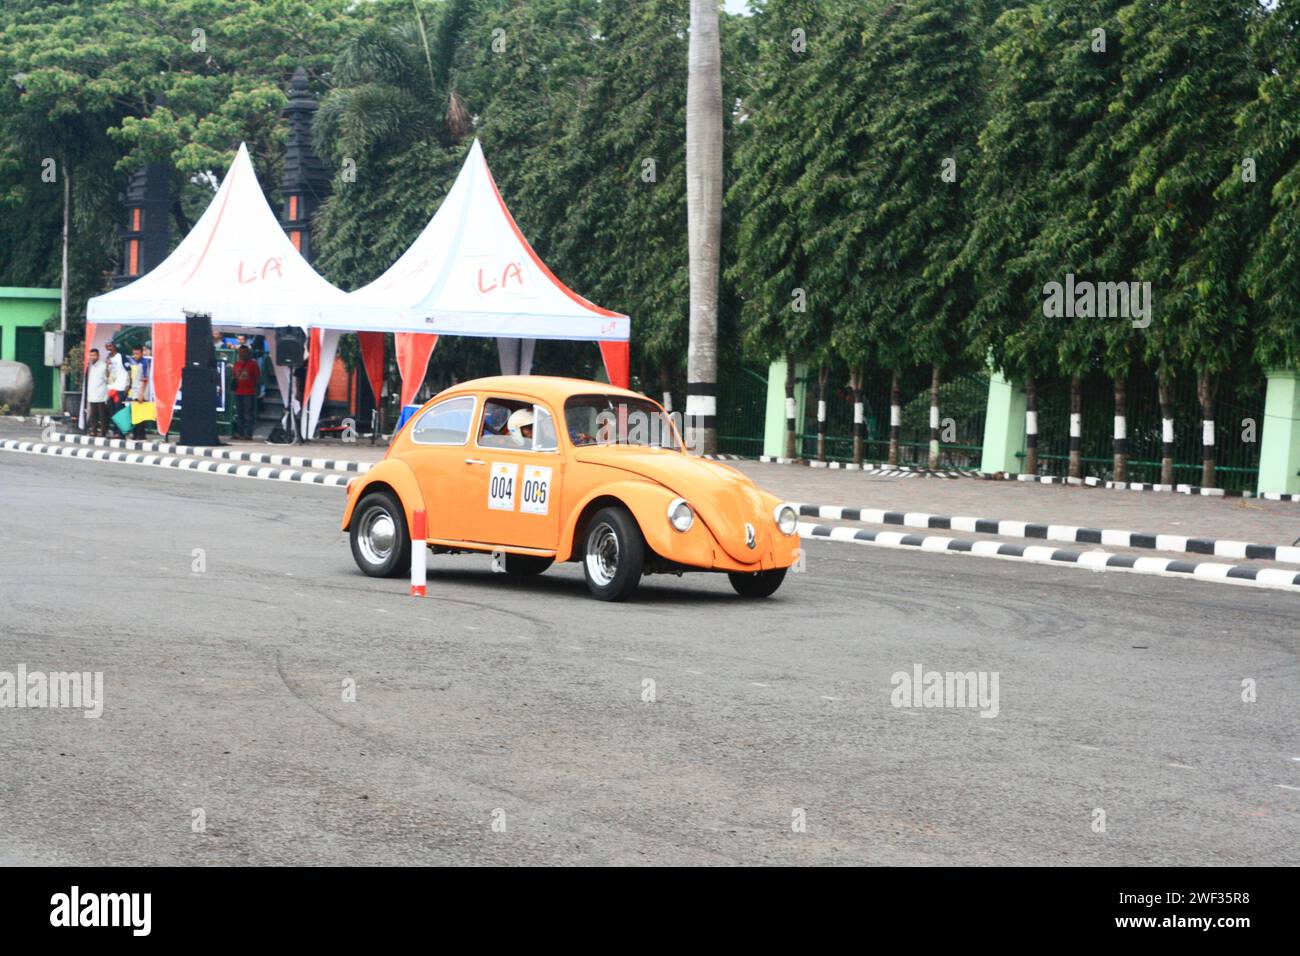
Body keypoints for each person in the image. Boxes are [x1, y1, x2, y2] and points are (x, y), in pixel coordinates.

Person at [232, 345, 260, 439]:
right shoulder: (237, 363)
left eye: (243, 352)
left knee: (248, 413)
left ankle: (248, 433)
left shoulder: (253, 364)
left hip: (249, 391)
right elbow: (234, 374)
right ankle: (240, 433)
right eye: (240, 352)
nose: (241, 354)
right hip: (238, 391)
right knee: (239, 413)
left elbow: (257, 376)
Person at [104, 341, 130, 427]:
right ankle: (114, 430)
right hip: (111, 388)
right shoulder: (108, 359)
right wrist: (107, 366)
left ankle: (120, 432)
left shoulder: (121, 357)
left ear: (114, 347)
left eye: (110, 346)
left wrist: (128, 385)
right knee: (111, 411)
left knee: (119, 410)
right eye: (107, 346)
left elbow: (129, 371)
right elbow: (107, 375)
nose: (108, 348)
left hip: (121, 388)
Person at [128, 344, 150, 438]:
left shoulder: (144, 363)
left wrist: (141, 394)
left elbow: (145, 379)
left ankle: (141, 434)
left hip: (142, 392)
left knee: (141, 414)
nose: (135, 356)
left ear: (141, 353)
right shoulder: (134, 362)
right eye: (134, 354)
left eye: (137, 354)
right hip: (134, 390)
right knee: (135, 413)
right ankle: (135, 433)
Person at [85, 348, 108, 437]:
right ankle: (93, 431)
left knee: (102, 415)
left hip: (101, 394)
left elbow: (107, 379)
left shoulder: (103, 366)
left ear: (98, 356)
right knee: (93, 414)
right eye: (91, 355)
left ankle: (103, 432)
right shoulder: (90, 367)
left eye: (94, 355)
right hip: (92, 394)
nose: (92, 357)